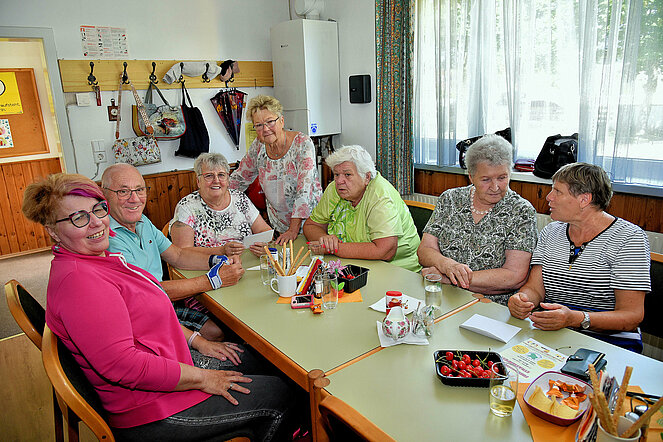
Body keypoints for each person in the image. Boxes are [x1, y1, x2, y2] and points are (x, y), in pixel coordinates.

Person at [22, 173, 293, 440]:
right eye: (78, 218)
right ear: (52, 230)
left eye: (97, 209)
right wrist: (204, 378)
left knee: (261, 361)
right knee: (281, 392)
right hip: (153, 409)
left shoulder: (99, 260)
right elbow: (124, 366)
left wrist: (198, 341)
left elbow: (150, 315)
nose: (96, 223)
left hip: (167, 367)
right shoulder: (80, 283)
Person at [508, 163, 650, 352]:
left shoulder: (629, 238)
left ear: (584, 199)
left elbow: (631, 316)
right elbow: (535, 288)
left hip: (608, 341)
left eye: (557, 191)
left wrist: (576, 319)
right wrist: (522, 299)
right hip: (553, 332)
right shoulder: (551, 232)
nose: (549, 197)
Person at [101, 163, 244, 342]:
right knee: (217, 331)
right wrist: (215, 280)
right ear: (104, 195)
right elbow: (148, 292)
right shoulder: (107, 240)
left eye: (139, 190)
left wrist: (219, 260)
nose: (135, 199)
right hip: (142, 315)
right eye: (123, 192)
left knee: (227, 323)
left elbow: (177, 255)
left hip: (162, 302)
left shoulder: (142, 221)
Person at [417, 134, 537, 305]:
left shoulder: (521, 211)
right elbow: (425, 249)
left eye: (502, 178)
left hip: (490, 305)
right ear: (471, 177)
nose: (495, 187)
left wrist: (451, 278)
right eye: (486, 179)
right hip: (441, 295)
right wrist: (447, 265)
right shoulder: (450, 199)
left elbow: (514, 276)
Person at [303, 145, 421, 272]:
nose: (339, 181)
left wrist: (335, 248)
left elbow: (385, 251)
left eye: (347, 174)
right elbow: (311, 225)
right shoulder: (335, 189)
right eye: (336, 174)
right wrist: (325, 239)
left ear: (367, 177)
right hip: (354, 264)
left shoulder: (380, 196)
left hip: (398, 270)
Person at [228, 94, 323, 245]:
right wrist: (215, 196)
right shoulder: (258, 146)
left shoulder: (302, 144)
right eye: (259, 125)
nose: (265, 129)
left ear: (282, 121)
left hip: (310, 224)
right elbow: (239, 178)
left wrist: (293, 230)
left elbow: (304, 191)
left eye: (270, 122)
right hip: (279, 225)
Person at [170, 153, 272, 258]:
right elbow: (182, 252)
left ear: (227, 180)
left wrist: (263, 245)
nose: (216, 180)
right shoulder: (187, 207)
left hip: (246, 261)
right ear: (198, 181)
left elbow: (264, 230)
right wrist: (221, 251)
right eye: (209, 176)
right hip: (207, 265)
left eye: (221, 175)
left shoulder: (240, 198)